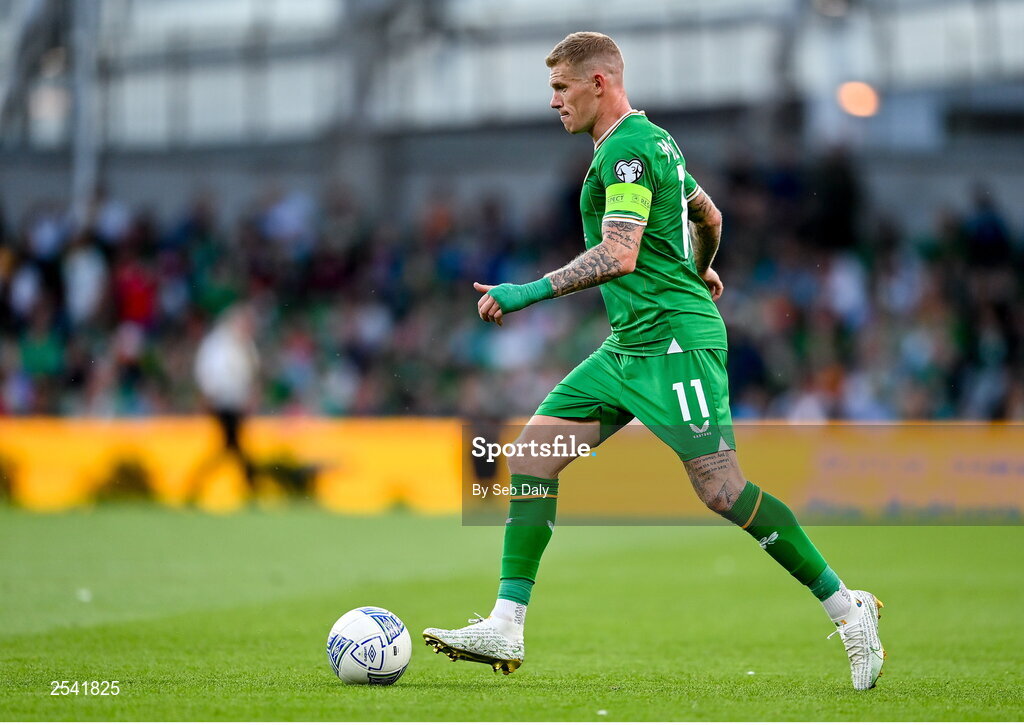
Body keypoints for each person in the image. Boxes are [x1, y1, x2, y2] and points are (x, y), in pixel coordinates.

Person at [423, 32, 885, 690]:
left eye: (561, 88)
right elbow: (709, 214)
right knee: (531, 455)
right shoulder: (652, 140)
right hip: (630, 344)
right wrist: (699, 268)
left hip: (674, 341)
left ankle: (849, 607)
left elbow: (619, 254)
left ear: (599, 84)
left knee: (722, 490)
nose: (553, 101)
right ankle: (506, 620)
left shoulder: (630, 151)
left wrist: (523, 291)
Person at [191, 303, 259, 496]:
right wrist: (209, 398)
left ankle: (198, 483)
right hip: (222, 403)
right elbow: (210, 375)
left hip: (235, 403)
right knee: (234, 446)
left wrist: (250, 397)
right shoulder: (218, 344)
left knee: (231, 446)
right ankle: (251, 484)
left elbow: (250, 374)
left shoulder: (243, 344)